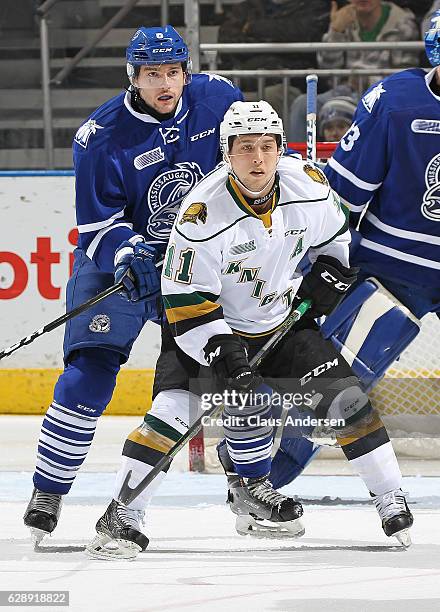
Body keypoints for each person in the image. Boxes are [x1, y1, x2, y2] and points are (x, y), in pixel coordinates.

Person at [86, 101, 413, 560]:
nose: (257, 159)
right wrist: (222, 350)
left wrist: (328, 277)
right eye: (245, 149)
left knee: (349, 403)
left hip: (281, 320)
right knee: (172, 415)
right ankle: (123, 513)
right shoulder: (201, 214)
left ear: (281, 149)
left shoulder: (309, 187)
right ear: (227, 153)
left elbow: (336, 242)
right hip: (203, 326)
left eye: (266, 147)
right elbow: (182, 298)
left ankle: (389, 498)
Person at [23, 24, 243, 544]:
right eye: (152, 74)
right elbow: (96, 223)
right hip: (119, 266)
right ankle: (50, 488)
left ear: (186, 72)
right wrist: (128, 251)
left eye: (173, 72)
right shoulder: (99, 136)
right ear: (134, 77)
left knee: (230, 368)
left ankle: (248, 482)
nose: (165, 83)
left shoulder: (219, 98)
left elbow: (251, 157)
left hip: (194, 265)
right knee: (89, 374)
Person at [255, 7, 440, 534]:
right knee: (334, 385)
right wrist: (320, 255)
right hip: (391, 268)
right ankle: (262, 480)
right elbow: (343, 196)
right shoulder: (396, 102)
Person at [289, 0, 419, 140]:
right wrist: (336, 31)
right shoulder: (344, 18)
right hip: (345, 91)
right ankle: (298, 161)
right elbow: (328, 68)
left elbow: (404, 75)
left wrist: (366, 81)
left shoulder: (402, 22)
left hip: (382, 94)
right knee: (302, 104)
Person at [217, 0, 330, 117]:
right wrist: (278, 41)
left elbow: (304, 34)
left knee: (272, 96)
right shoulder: (245, 8)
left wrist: (254, 28)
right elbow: (227, 40)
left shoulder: (314, 6)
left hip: (292, 82)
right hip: (248, 81)